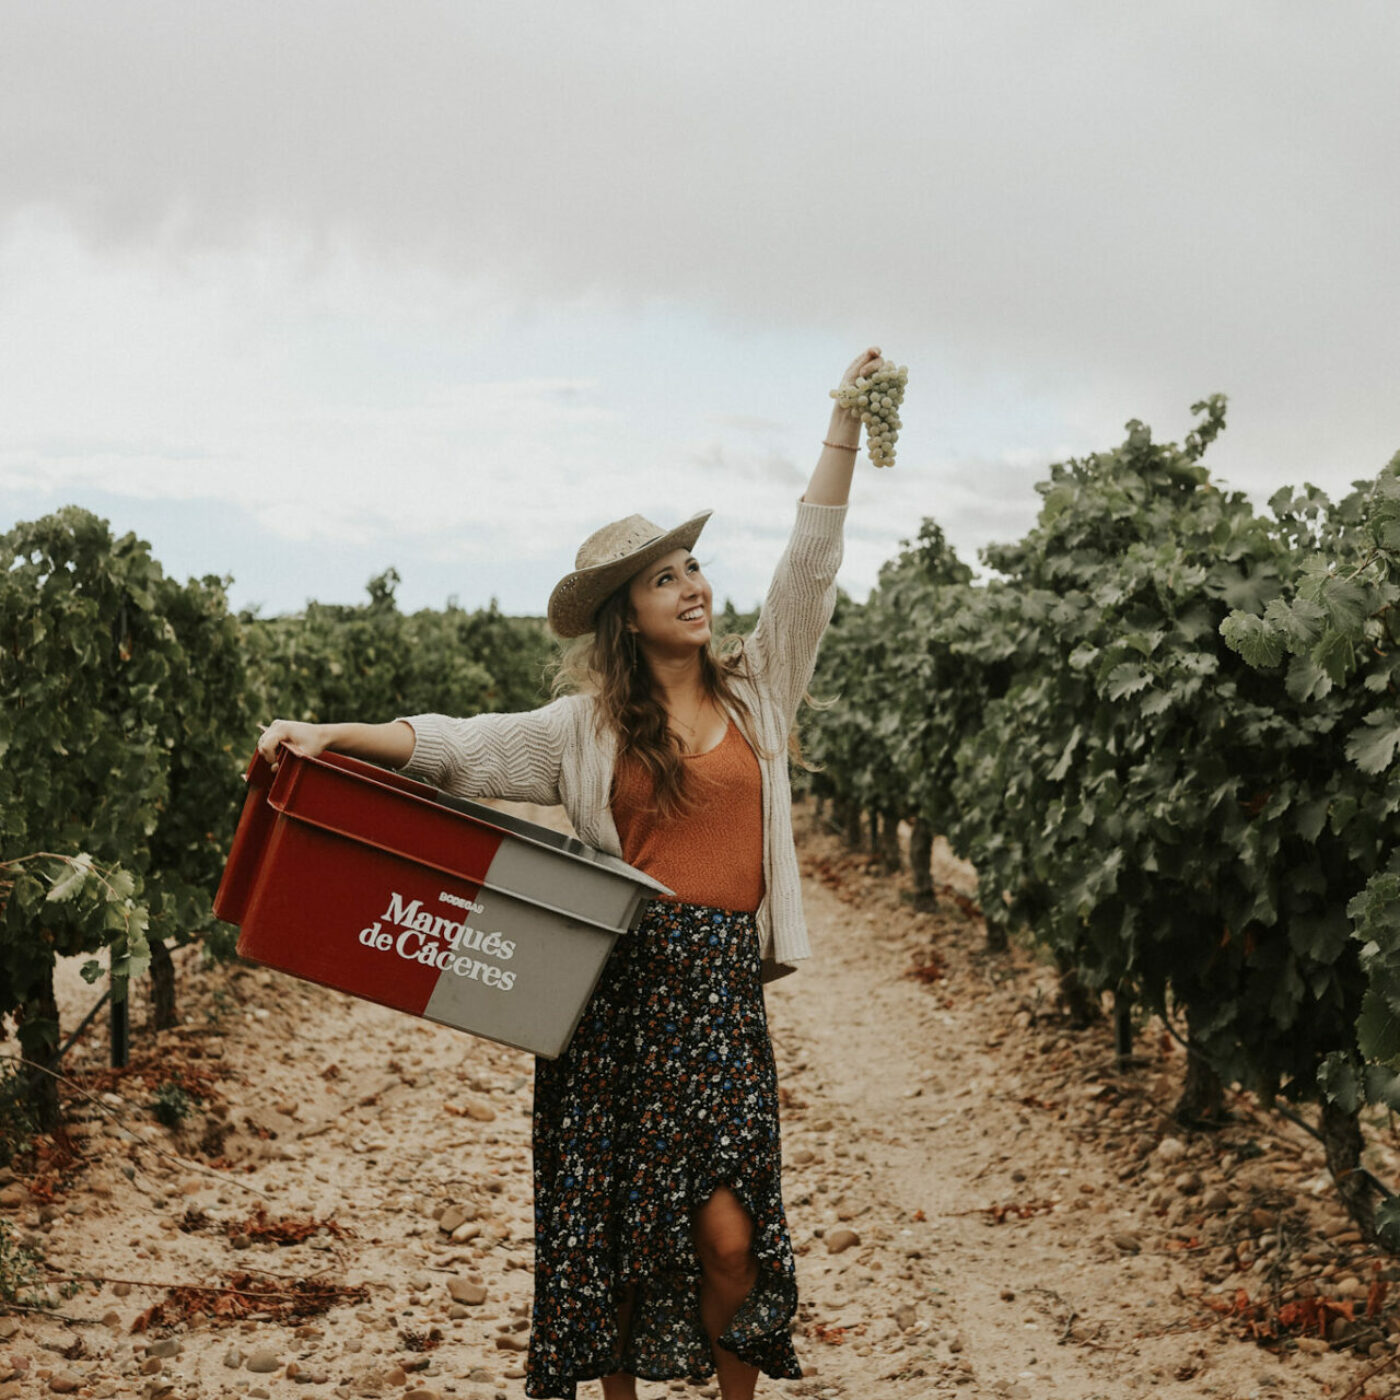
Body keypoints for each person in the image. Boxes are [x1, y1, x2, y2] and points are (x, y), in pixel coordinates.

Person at [256, 345, 885, 1400]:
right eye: (662, 577)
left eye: (690, 568)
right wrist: (333, 734)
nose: (690, 586)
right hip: (613, 989)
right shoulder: (581, 729)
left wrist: (844, 424)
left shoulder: (758, 689)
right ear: (624, 613)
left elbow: (808, 564)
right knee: (617, 1237)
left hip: (719, 992)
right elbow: (459, 746)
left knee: (729, 1236)